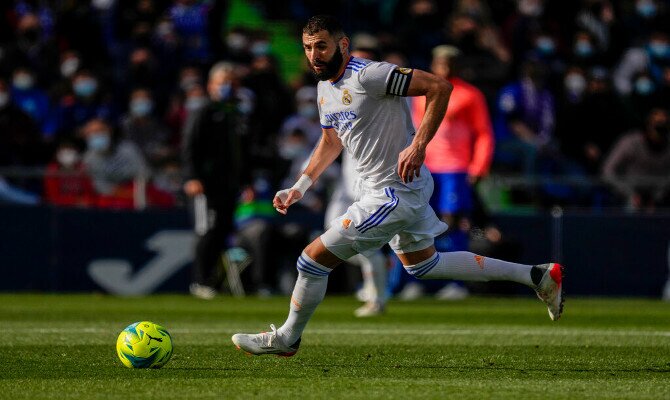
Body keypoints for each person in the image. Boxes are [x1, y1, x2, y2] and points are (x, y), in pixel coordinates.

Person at [232, 15, 564, 357]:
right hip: (389, 189)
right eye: (307, 48)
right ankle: (537, 276)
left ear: (342, 45)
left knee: (311, 260)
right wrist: (301, 185)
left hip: (393, 192)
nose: (313, 54)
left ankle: (288, 338)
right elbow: (331, 140)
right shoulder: (323, 89)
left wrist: (419, 145)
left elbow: (439, 87)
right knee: (424, 265)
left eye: (321, 46)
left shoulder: (369, 74)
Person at [402, 44, 494, 301]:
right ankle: (417, 281)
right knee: (416, 222)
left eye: (450, 63)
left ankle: (457, 283)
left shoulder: (470, 95)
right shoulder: (422, 93)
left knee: (452, 224)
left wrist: (479, 165)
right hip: (424, 166)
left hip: (455, 167)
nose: (445, 67)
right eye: (441, 62)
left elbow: (484, 132)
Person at [182, 61, 251, 299]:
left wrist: (245, 181)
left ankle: (214, 281)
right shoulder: (203, 111)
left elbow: (241, 152)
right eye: (223, 83)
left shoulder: (237, 113)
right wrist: (192, 176)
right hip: (206, 185)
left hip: (229, 185)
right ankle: (200, 281)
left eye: (232, 83)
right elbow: (189, 146)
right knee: (207, 230)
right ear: (211, 85)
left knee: (222, 231)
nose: (228, 87)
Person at [602, 107, 670, 212]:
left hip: (659, 197)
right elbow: (607, 171)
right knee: (631, 209)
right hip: (627, 194)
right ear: (648, 125)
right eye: (657, 126)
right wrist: (629, 193)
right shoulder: (631, 142)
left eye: (664, 126)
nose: (660, 131)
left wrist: (657, 198)